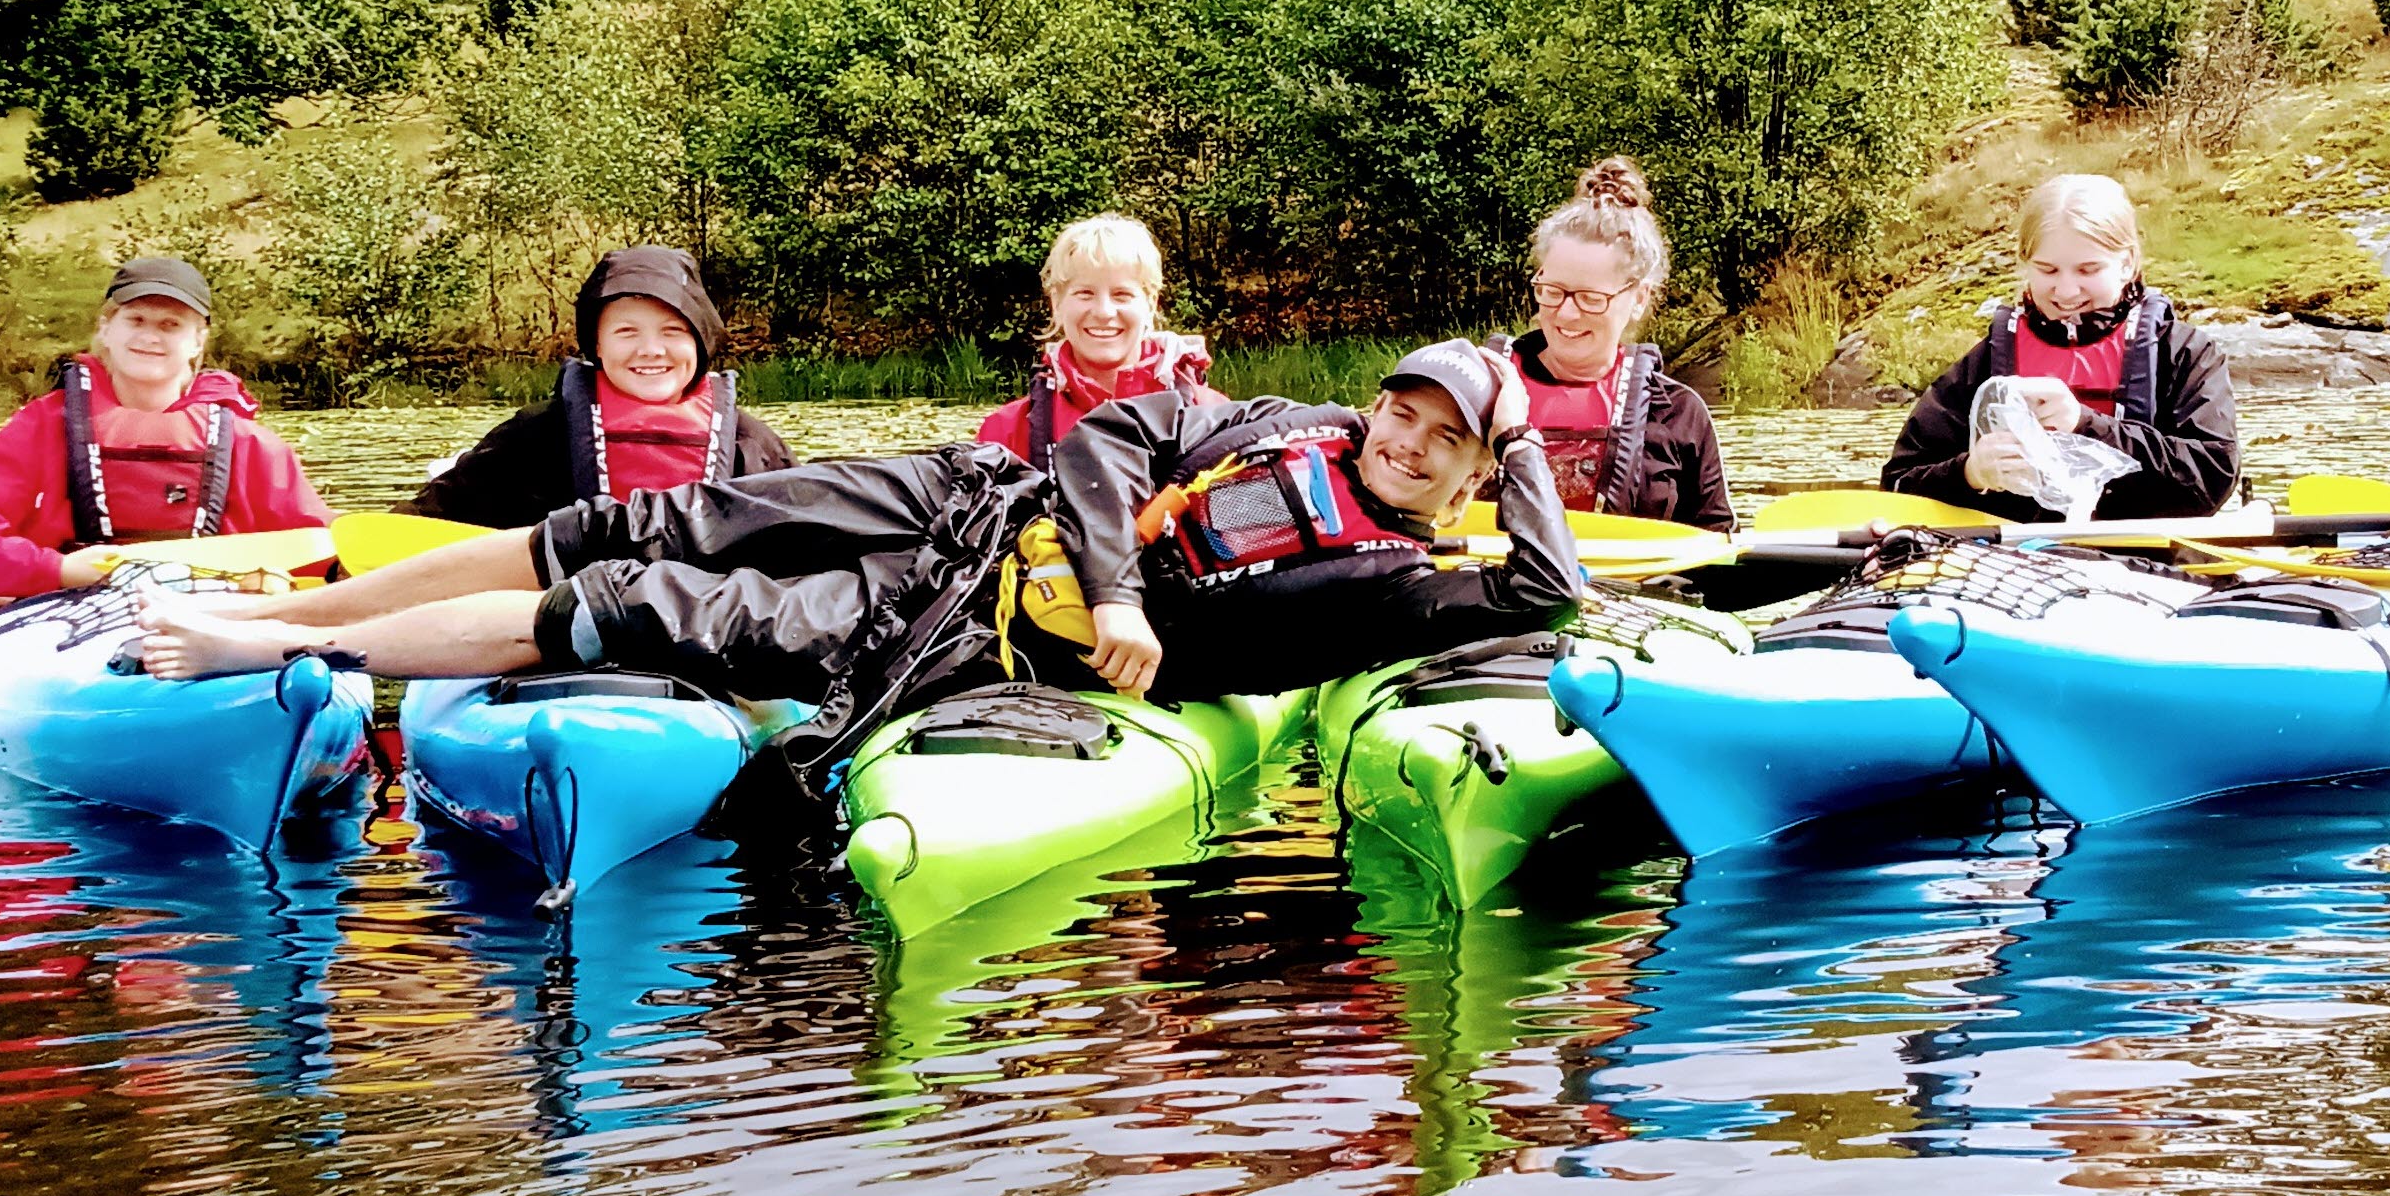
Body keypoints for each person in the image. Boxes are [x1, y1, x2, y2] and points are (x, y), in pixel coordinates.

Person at [133, 342, 1587, 719]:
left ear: (1472, 468)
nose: (1399, 442)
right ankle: (276, 619)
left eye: (1441, 439)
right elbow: (1102, 440)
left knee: (648, 605)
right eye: (1400, 413)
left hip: (981, 638)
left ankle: (266, 660)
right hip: (970, 502)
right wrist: (1120, 585)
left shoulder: (1402, 586)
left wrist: (1522, 449)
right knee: (642, 518)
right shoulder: (1280, 423)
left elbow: (1550, 597)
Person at [0, 257, 334, 603]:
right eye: (136, 320)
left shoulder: (251, 446)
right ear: (106, 329)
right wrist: (51, 572)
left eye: (170, 325)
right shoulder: (41, 428)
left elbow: (326, 556)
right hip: (65, 615)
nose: (151, 336)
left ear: (198, 341)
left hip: (217, 620)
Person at [1880, 173, 2239, 522]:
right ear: (2026, 266)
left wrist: (2085, 425)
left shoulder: (2184, 353)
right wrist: (1970, 473)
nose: (2066, 291)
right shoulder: (1988, 361)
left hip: (2144, 561)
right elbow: (1898, 483)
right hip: (2018, 565)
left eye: (2088, 270)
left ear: (2126, 263)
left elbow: (2213, 481)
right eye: (2048, 271)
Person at [409, 248, 792, 525]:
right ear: (597, 345)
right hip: (559, 615)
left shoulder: (751, 445)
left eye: (672, 331)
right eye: (626, 332)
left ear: (700, 344)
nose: (651, 351)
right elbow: (427, 517)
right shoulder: (536, 434)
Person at [1506, 159, 1731, 528]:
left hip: (1638, 585)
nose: (1565, 315)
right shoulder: (1479, 388)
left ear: (1639, 298)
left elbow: (1715, 543)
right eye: (1552, 292)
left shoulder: (1677, 415)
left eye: (1591, 299)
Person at [974, 214, 1214, 468]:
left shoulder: (1209, 414)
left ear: (1151, 304)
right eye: (1084, 293)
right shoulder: (1005, 432)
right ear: (1056, 303)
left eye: (1122, 294)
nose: (1103, 312)